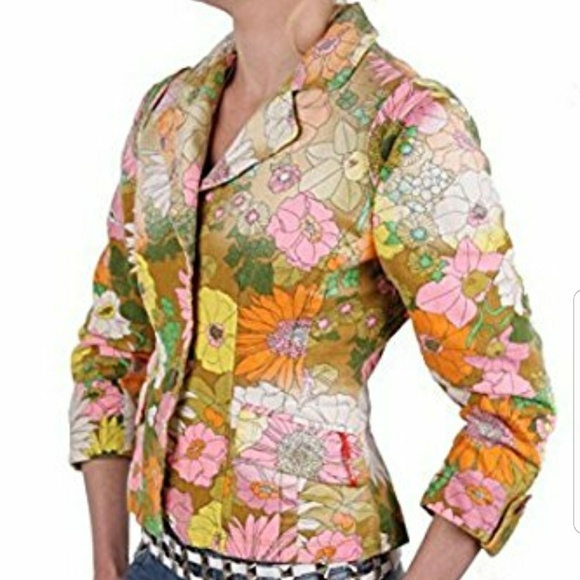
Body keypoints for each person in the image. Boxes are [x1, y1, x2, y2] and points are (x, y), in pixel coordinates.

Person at [67, 1, 557, 579]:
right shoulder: (168, 113)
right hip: (157, 560)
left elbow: (509, 403)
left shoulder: (404, 124)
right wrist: (107, 562)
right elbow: (114, 344)